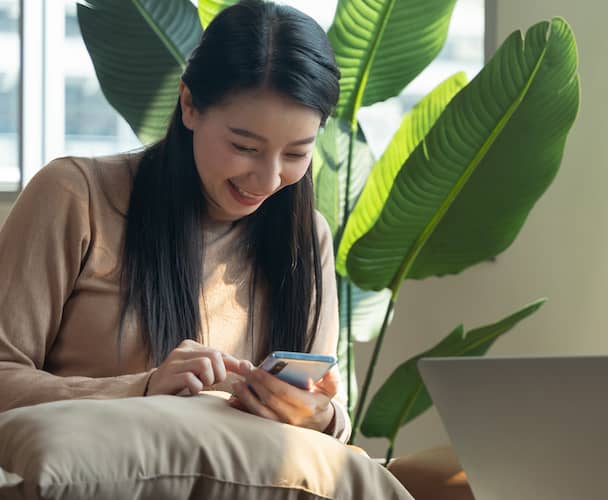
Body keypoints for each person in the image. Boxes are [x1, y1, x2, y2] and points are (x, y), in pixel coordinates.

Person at [0, 0, 349, 440]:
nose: (268, 178)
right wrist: (141, 389)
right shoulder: (77, 196)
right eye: (244, 147)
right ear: (189, 105)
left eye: (297, 153)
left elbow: (328, 405)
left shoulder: (305, 237)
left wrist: (324, 418)